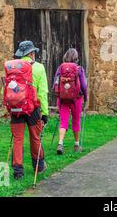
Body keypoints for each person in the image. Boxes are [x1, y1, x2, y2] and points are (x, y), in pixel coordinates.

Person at [8, 41, 49, 180]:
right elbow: (43, 92)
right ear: (31, 53)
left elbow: (6, 89)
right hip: (33, 108)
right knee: (35, 137)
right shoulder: (39, 68)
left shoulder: (13, 67)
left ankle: (18, 172)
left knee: (18, 139)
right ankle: (40, 166)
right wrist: (45, 113)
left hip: (16, 108)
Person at [53, 48, 87, 155]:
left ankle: (60, 143)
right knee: (76, 120)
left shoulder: (60, 68)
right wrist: (85, 98)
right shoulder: (79, 69)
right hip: (76, 99)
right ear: (76, 58)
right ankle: (76, 144)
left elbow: (55, 84)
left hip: (63, 99)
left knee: (63, 121)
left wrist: (58, 96)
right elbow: (84, 86)